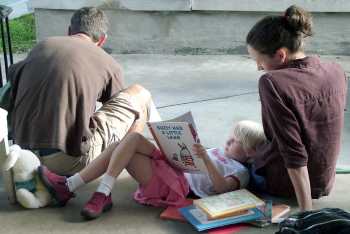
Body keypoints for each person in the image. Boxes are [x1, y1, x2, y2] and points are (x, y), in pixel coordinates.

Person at [7, 7, 155, 175]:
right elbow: (117, 110)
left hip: (22, 155)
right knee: (140, 95)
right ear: (102, 40)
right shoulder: (109, 64)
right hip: (66, 160)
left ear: (69, 31)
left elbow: (10, 83)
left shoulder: (41, 46)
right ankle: (114, 173)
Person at [38, 120, 265, 220]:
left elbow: (222, 188)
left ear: (250, 152)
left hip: (178, 188)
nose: (228, 141)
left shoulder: (240, 171)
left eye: (236, 141)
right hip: (173, 169)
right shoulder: (218, 151)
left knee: (129, 143)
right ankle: (75, 187)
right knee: (125, 143)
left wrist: (204, 157)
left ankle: (77, 188)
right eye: (230, 136)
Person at [245, 5, 348, 211]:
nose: (258, 68)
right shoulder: (335, 70)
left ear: (281, 55)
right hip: (324, 180)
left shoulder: (273, 82)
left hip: (284, 184)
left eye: (260, 61)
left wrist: (306, 212)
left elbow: (293, 152)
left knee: (237, 146)